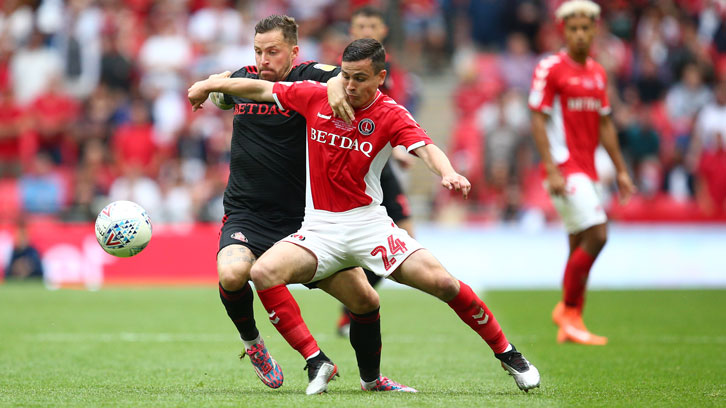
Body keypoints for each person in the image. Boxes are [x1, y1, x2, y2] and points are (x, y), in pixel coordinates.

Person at [188, 38, 540, 395]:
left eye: (360, 79)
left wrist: (448, 172)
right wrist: (210, 83)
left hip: (369, 226)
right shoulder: (315, 96)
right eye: (346, 77)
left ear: (380, 78)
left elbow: (425, 148)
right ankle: (317, 361)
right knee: (263, 272)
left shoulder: (390, 113)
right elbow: (259, 88)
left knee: (444, 284)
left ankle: (509, 354)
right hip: (319, 227)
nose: (351, 86)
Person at [203, 15, 412, 392]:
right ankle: (263, 348)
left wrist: (334, 86)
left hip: (307, 222)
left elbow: (341, 78)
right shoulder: (244, 79)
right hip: (247, 214)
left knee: (364, 299)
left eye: (273, 52)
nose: (263, 60)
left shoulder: (312, 77)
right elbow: (221, 91)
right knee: (233, 274)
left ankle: (372, 379)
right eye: (258, 51)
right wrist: (210, 87)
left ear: (294, 52)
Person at [528, 0, 636, 346]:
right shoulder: (550, 68)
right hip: (564, 169)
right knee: (598, 235)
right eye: (572, 29)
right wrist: (551, 168)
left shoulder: (598, 72)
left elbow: (605, 124)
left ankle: (571, 323)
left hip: (588, 170)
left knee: (577, 242)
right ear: (563, 31)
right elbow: (537, 118)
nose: (578, 34)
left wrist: (620, 170)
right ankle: (568, 309)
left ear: (594, 30)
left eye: (584, 28)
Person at [335, 5, 418, 337]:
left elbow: (393, 111)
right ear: (351, 30)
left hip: (377, 159)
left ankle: (352, 308)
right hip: (352, 158)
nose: (367, 29)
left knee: (405, 235)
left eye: (372, 25)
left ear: (384, 31)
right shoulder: (339, 70)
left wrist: (399, 146)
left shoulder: (390, 71)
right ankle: (353, 307)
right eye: (360, 25)